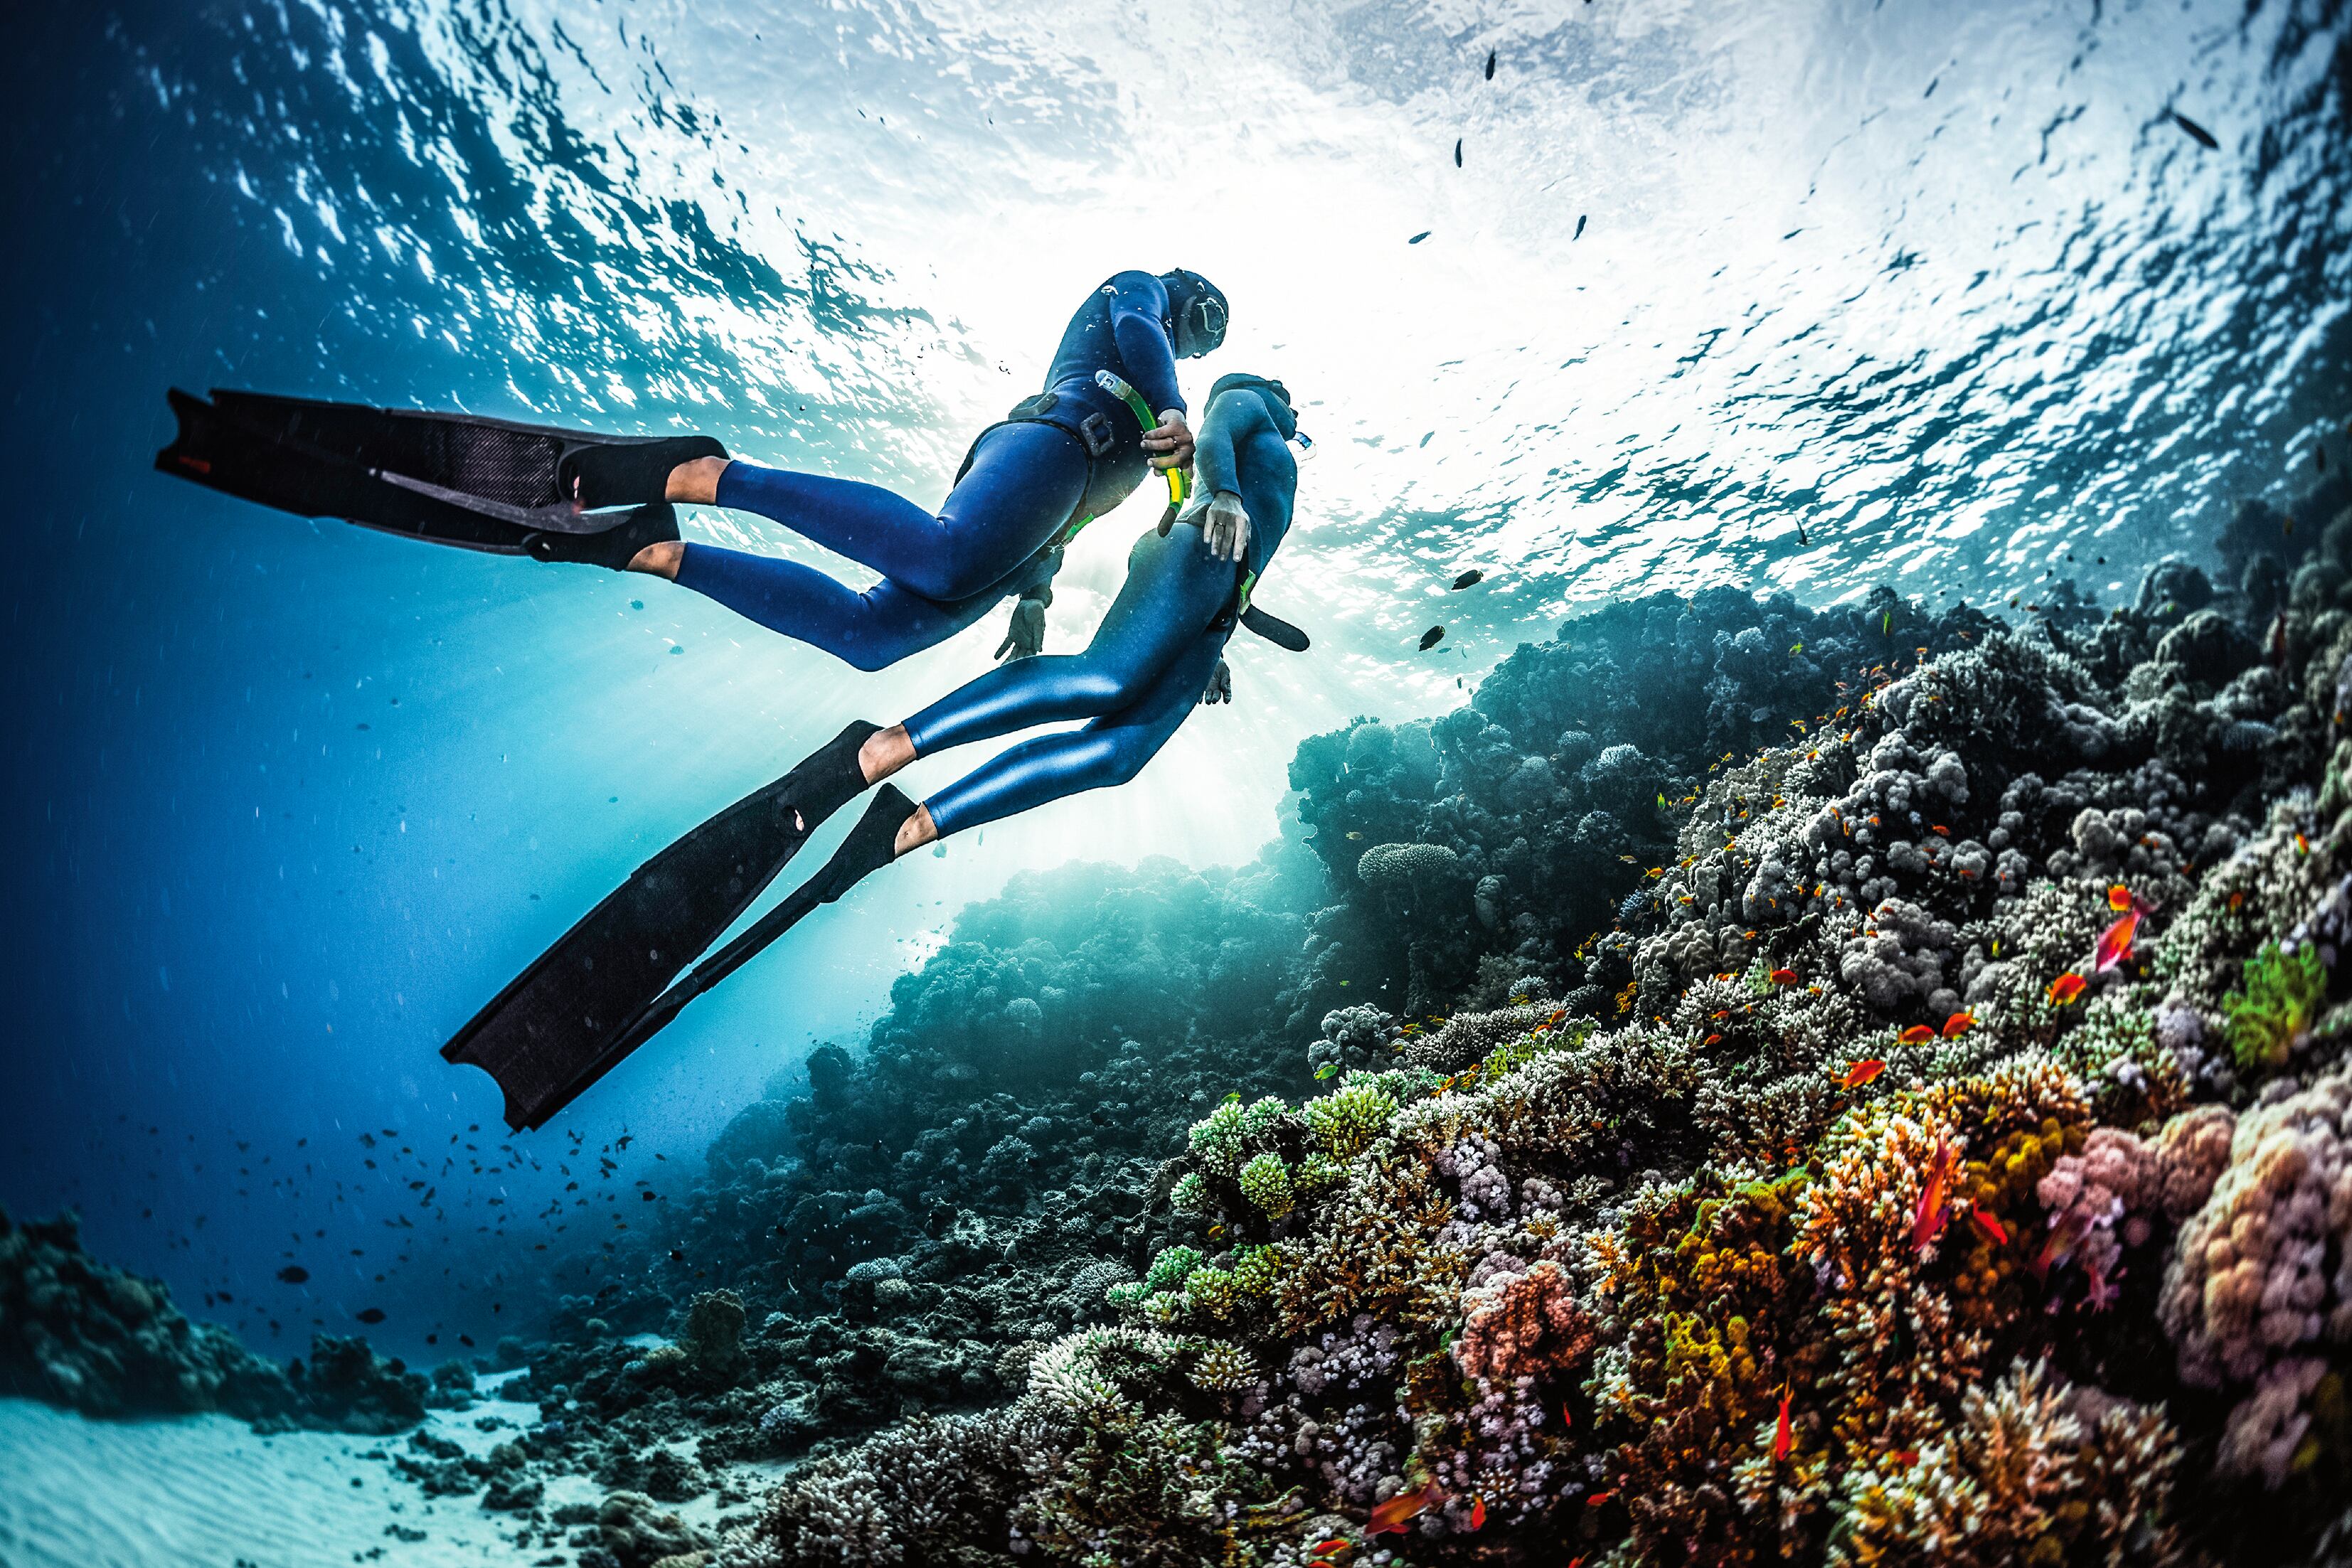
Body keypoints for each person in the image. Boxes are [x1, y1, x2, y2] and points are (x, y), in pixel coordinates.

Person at [441, 372, 1307, 1129]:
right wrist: (1222, 492)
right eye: (1291, 402)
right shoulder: (1251, 402)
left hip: (1218, 601)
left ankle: (911, 824)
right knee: (1099, 680)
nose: (1297, 415)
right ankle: (891, 747)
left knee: (1120, 755)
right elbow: (1220, 424)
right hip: (1192, 542)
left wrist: (1217, 626)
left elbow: (1227, 526)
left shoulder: (1273, 463)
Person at [156, 268, 1229, 673]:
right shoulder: (1137, 301)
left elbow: (1072, 530)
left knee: (868, 639)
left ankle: (656, 549)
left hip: (1044, 521)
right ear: (1180, 287)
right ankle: (706, 473)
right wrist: (1176, 405)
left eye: (1211, 334)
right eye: (1202, 314)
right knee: (941, 559)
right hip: (1046, 446)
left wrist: (1035, 602)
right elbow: (1140, 329)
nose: (1198, 331)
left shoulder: (1162, 408)